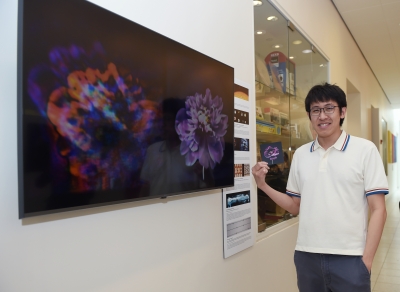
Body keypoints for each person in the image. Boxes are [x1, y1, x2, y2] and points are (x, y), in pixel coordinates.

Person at [252, 83, 388, 292]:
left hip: (351, 258)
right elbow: (295, 206)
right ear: (310, 116)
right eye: (316, 110)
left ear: (342, 111)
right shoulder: (301, 155)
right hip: (307, 257)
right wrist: (262, 185)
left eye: (329, 108)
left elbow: (378, 209)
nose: (322, 116)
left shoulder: (365, 150)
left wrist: (366, 261)